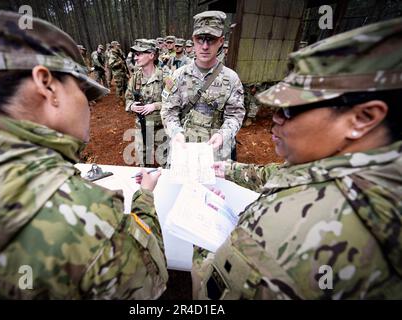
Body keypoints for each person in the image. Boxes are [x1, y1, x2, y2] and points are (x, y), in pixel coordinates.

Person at [0, 10, 168, 299]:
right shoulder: (88, 218)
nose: (88, 107)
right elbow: (149, 285)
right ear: (47, 84)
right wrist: (145, 198)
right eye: (81, 90)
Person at [192, 17, 402, 300]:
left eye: (290, 110)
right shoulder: (379, 167)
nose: (275, 120)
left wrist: (200, 238)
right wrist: (229, 169)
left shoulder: (291, 230)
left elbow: (210, 296)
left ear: (363, 117)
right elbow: (284, 173)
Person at [161, 11, 245, 161]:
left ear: (221, 41)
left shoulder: (231, 78)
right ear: (193, 40)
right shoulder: (178, 75)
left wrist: (222, 135)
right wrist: (176, 132)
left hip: (215, 154)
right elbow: (168, 111)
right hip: (183, 151)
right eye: (200, 39)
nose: (205, 46)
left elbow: (235, 115)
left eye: (211, 40)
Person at [125, 40, 167, 167]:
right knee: (143, 163)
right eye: (135, 54)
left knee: (165, 163)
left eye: (139, 54)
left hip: (161, 128)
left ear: (151, 55)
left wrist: (155, 106)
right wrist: (131, 105)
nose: (135, 57)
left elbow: (175, 104)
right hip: (141, 127)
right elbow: (128, 98)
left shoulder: (165, 76)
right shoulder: (135, 78)